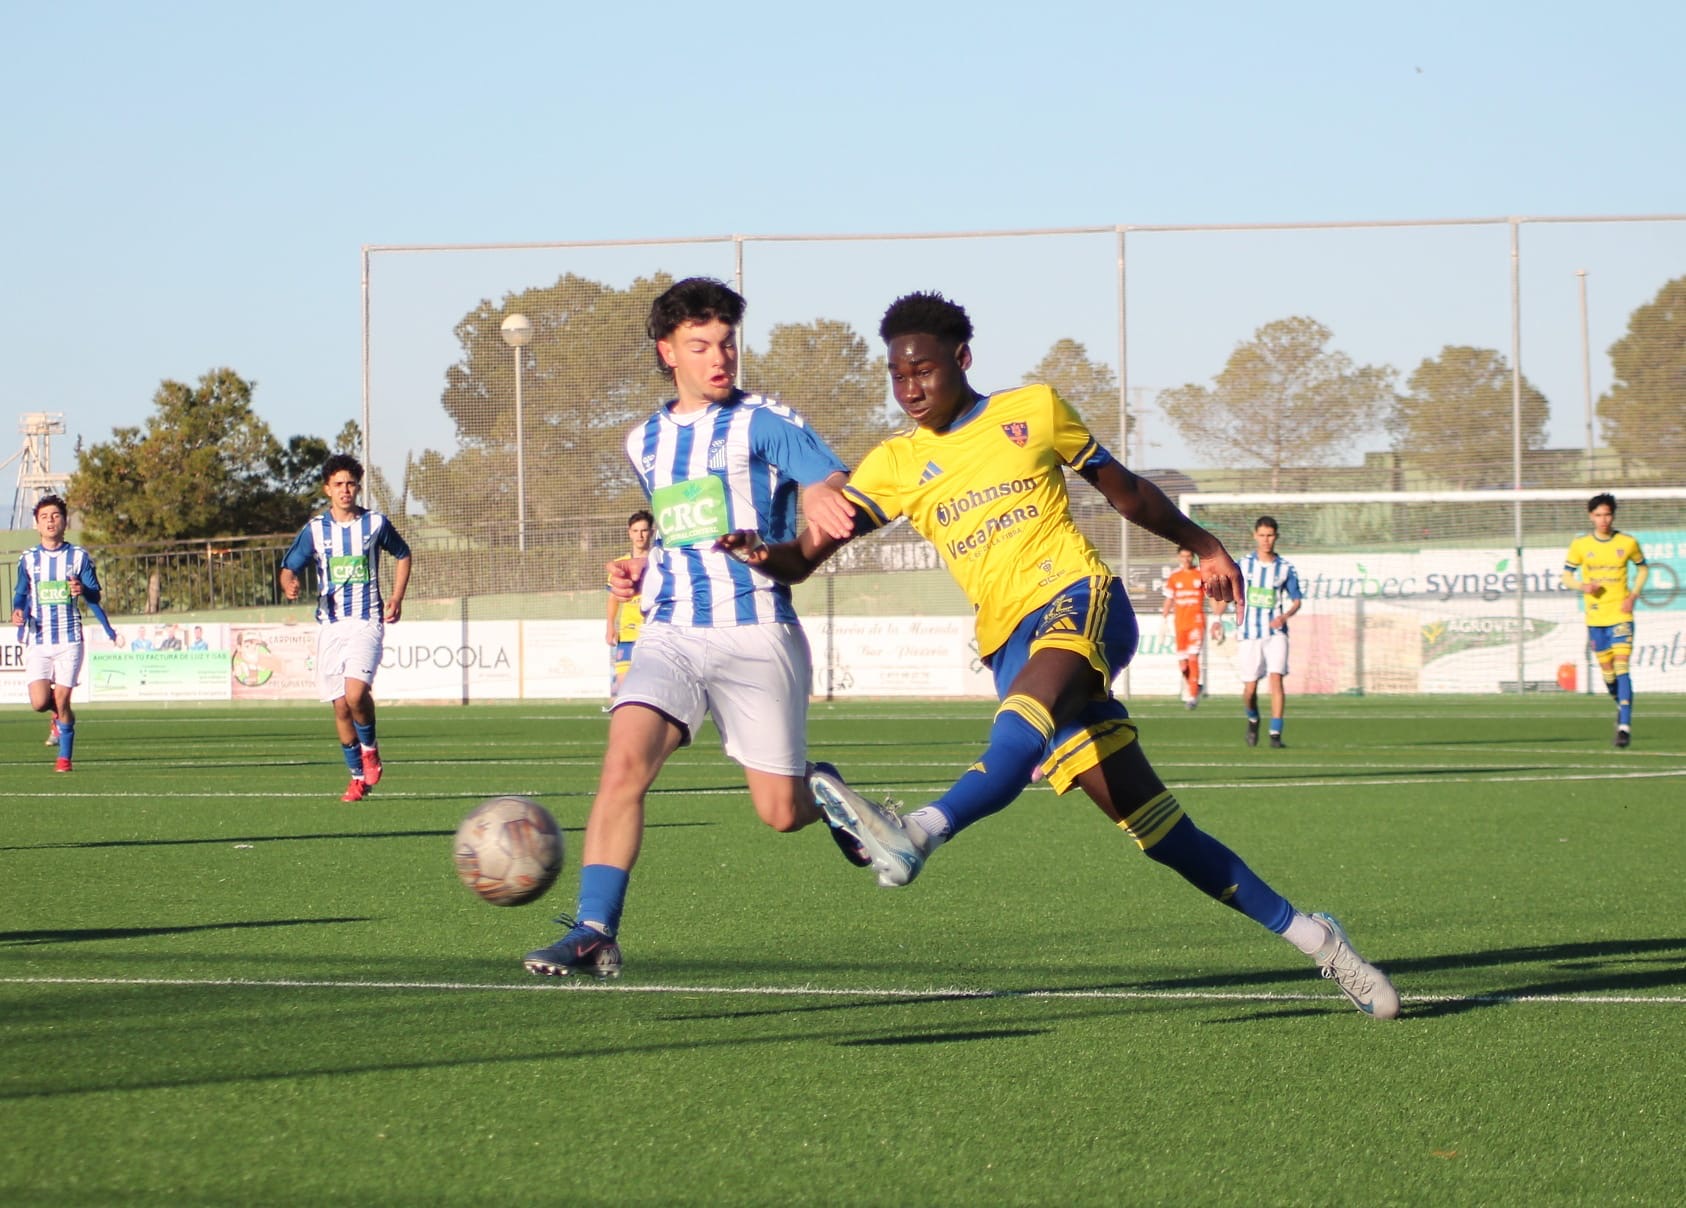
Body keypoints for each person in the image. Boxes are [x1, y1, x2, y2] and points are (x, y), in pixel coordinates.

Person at [723, 291, 1398, 1019]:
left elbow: (1126, 492)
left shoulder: (1033, 410)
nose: (909, 387)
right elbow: (804, 559)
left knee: (1016, 733)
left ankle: (916, 831)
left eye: (923, 370)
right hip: (1008, 643)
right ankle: (1319, 940)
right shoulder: (892, 463)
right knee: (1161, 833)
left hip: (1078, 598)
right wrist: (762, 552)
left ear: (963, 358)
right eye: (896, 375)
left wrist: (1202, 543)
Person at [523, 277, 868, 980]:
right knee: (623, 764)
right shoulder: (642, 442)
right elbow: (680, 532)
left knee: (780, 812)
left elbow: (828, 478)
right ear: (667, 351)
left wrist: (823, 499)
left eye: (727, 343)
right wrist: (641, 569)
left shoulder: (761, 421)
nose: (720, 358)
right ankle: (594, 931)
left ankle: (823, 790)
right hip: (671, 632)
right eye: (701, 345)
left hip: (755, 628)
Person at [279, 453, 413, 802]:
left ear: (358, 487)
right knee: (340, 706)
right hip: (331, 625)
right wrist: (289, 583)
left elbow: (403, 554)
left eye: (351, 484)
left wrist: (396, 597)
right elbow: (289, 567)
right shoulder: (315, 530)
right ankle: (356, 778)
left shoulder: (375, 524)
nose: (345, 490)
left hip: (366, 620)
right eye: (338, 484)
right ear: (327, 489)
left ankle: (370, 749)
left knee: (355, 695)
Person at [12, 495, 103, 772]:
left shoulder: (79, 557)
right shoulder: (28, 559)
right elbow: (20, 593)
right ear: (37, 524)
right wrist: (18, 610)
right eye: (44, 517)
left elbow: (95, 594)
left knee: (63, 698)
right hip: (38, 639)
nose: (50, 521)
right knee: (40, 702)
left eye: (55, 516)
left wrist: (82, 590)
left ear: (64, 522)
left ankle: (64, 758)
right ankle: (57, 716)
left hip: (69, 638)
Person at [1562, 492, 1648, 748]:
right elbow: (1566, 576)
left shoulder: (1627, 542)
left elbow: (1643, 568)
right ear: (1591, 516)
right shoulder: (1580, 545)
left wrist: (1633, 595)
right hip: (1596, 617)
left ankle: (1624, 727)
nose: (1603, 520)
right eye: (1598, 515)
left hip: (1620, 614)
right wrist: (1583, 586)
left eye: (1607, 514)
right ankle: (1620, 704)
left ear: (1613, 515)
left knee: (1622, 667)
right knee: (1608, 674)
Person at [1212, 516, 1301, 749]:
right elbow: (1228, 594)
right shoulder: (1243, 565)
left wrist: (1284, 616)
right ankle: (1253, 719)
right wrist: (1217, 619)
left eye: (1270, 535)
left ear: (1276, 537)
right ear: (1255, 536)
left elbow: (1296, 600)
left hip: (1276, 633)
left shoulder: (1285, 568)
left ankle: (1275, 733)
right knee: (1250, 689)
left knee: (1276, 679)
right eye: (1262, 535)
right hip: (1249, 633)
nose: (1266, 540)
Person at [604, 509, 655, 709]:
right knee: (624, 687)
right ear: (629, 533)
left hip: (654, 632)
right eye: (635, 531)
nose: (640, 536)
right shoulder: (620, 564)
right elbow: (613, 598)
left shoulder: (660, 562)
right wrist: (610, 625)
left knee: (652, 688)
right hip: (628, 633)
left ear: (652, 532)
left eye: (644, 530)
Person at [1160, 546, 1221, 709]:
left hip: (1196, 622)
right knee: (1183, 664)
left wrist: (1217, 618)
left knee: (1193, 658)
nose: (1186, 559)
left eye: (1189, 556)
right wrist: (1163, 619)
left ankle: (1192, 696)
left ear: (1193, 557)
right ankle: (1195, 686)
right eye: (1183, 556)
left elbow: (1211, 597)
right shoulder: (1174, 577)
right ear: (1179, 557)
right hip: (1180, 624)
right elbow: (1169, 599)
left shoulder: (1200, 574)